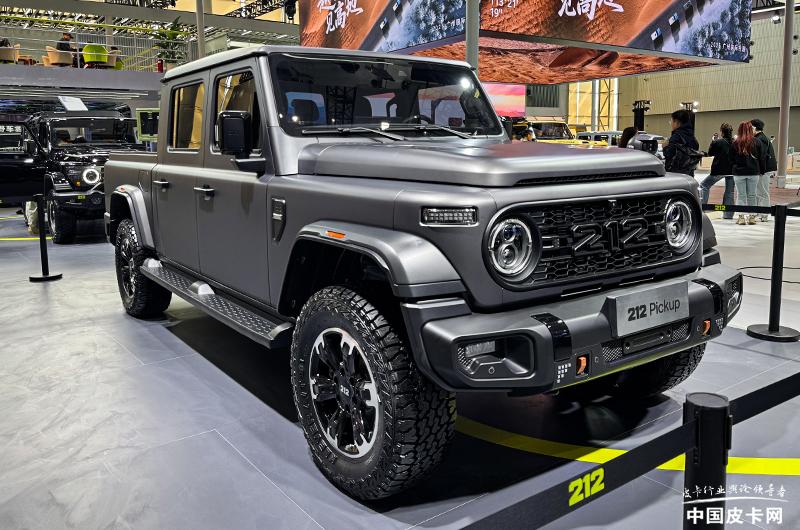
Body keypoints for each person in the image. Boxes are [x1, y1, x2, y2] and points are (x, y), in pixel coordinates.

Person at [731, 120, 766, 225]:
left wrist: (735, 166)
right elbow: (762, 158)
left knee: (741, 195)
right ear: (751, 129)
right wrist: (762, 171)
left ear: (739, 130)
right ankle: (751, 217)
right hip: (753, 172)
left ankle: (741, 217)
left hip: (739, 173)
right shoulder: (757, 142)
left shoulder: (735, 143)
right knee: (752, 195)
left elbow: (731, 159)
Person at [699, 123, 735, 220]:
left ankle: (702, 209)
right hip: (732, 170)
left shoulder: (718, 142)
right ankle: (728, 215)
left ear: (722, 132)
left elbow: (710, 153)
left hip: (719, 169)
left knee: (704, 186)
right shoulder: (734, 142)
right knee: (730, 192)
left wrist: (713, 141)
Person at [752, 119, 777, 222]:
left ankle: (764, 214)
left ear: (754, 127)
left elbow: (762, 157)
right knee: (760, 191)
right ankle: (761, 213)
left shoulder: (760, 139)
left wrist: (761, 171)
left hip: (764, 169)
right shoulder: (762, 137)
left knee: (762, 192)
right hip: (765, 168)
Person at [663, 109, 700, 176]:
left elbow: (668, 155)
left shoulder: (676, 137)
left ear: (677, 122)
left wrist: (665, 147)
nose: (671, 124)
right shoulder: (692, 137)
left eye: (671, 121)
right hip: (689, 174)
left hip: (675, 174)